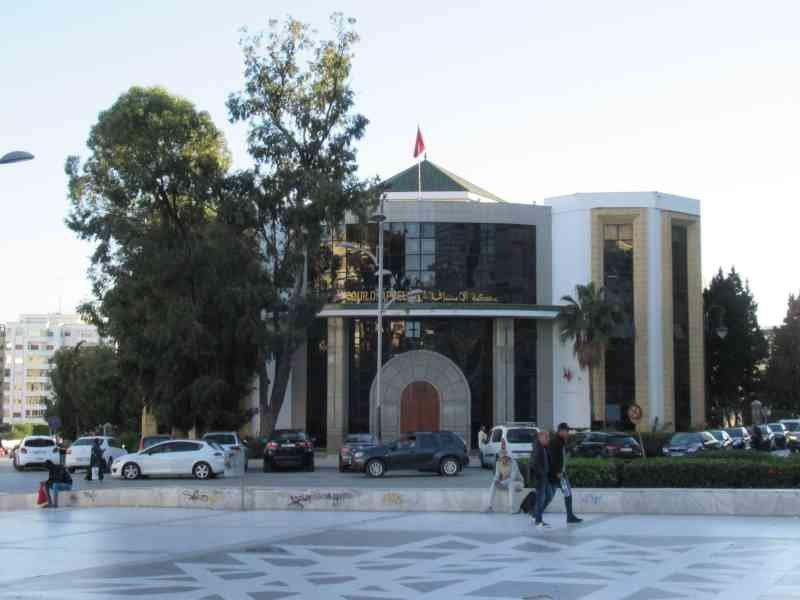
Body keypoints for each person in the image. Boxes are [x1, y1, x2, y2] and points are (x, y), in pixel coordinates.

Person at [550, 422, 583, 524]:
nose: (568, 432)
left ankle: (570, 516)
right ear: (561, 431)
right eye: (566, 431)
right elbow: (553, 458)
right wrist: (558, 472)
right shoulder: (555, 441)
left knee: (564, 493)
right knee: (548, 496)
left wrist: (571, 448)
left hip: (560, 473)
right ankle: (570, 517)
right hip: (558, 474)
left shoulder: (560, 441)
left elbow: (562, 456)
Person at [484, 449, 524, 514]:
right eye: (502, 457)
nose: (504, 459)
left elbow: (512, 478)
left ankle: (511, 508)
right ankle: (490, 507)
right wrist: (496, 481)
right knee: (494, 484)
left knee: (511, 484)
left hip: (518, 483)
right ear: (500, 458)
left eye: (505, 457)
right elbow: (497, 475)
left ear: (508, 456)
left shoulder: (513, 463)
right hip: (505, 483)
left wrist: (501, 482)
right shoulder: (498, 463)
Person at [530, 430, 555, 528]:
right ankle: (538, 520)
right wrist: (541, 474)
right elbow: (533, 463)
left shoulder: (543, 447)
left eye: (548, 437)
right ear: (540, 438)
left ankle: (535, 513)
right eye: (546, 438)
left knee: (549, 496)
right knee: (541, 499)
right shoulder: (537, 448)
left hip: (545, 477)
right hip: (540, 478)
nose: (548, 439)